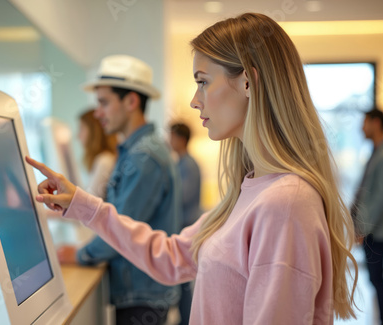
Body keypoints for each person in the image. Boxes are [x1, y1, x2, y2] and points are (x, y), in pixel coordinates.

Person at [26, 13, 359, 324]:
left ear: (247, 83)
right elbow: (171, 256)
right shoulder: (250, 190)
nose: (194, 101)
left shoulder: (286, 202)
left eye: (203, 82)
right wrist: (81, 204)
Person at [58, 55, 181, 324]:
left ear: (131, 102)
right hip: (141, 291)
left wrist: (79, 255)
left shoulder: (143, 158)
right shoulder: (136, 152)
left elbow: (121, 229)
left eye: (104, 103)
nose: (98, 113)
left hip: (142, 294)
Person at [351, 107, 383, 325]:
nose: (362, 127)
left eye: (365, 122)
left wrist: (364, 228)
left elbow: (382, 198)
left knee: (377, 279)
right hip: (372, 229)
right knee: (374, 278)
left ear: (376, 123)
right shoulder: (376, 153)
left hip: (377, 230)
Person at [169, 122, 201, 325]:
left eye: (171, 137)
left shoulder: (188, 164)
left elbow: (184, 196)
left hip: (186, 225)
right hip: (182, 224)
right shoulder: (180, 163)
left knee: (184, 280)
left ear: (180, 139)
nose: (168, 141)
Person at [78, 109, 117, 199]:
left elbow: (88, 203)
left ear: (94, 131)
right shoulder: (104, 158)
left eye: (82, 129)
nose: (78, 135)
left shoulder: (105, 160)